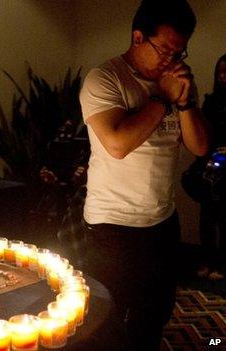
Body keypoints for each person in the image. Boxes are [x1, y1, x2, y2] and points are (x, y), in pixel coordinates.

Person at [78, 1, 209, 350]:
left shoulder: (177, 82)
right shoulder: (104, 79)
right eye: (165, 49)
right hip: (113, 224)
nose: (172, 60)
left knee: (155, 312)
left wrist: (184, 101)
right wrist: (164, 100)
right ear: (138, 37)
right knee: (107, 315)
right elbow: (118, 144)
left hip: (162, 219)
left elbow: (199, 146)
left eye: (180, 51)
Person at [193, 54, 226, 280]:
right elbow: (203, 131)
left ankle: (222, 265)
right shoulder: (212, 100)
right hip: (209, 166)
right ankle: (207, 260)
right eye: (220, 72)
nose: (223, 77)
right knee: (207, 217)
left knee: (224, 218)